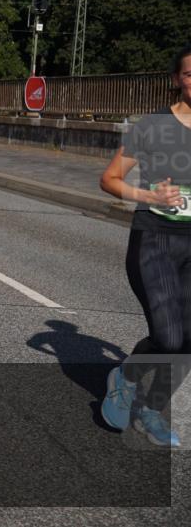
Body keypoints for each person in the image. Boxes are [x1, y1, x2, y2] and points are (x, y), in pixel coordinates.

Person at [99, 45, 191, 448]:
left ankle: (151, 409)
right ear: (177, 79)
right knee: (169, 338)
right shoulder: (153, 125)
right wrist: (151, 196)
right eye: (190, 74)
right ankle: (125, 377)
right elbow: (110, 179)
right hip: (155, 239)